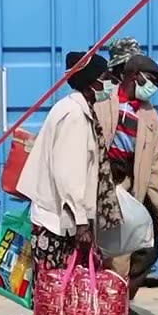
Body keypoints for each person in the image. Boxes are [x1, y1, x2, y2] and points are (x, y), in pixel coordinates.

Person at [95, 38, 158, 315]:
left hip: (131, 188)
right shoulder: (103, 100)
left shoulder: (149, 116)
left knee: (145, 245)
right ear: (133, 75)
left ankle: (120, 306)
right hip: (103, 186)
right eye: (150, 81)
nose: (153, 88)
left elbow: (155, 168)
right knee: (114, 257)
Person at [17, 50, 122, 274]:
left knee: (58, 294)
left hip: (59, 219)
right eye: (105, 78)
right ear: (92, 82)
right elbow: (69, 175)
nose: (110, 85)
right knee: (59, 294)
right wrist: (81, 223)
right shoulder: (74, 115)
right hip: (58, 223)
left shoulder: (74, 108)